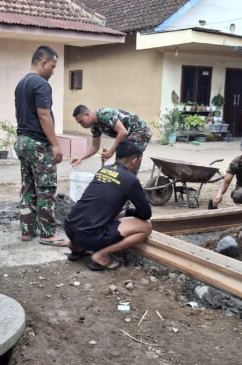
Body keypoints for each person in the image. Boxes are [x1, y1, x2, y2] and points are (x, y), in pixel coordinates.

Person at [64, 141, 153, 271]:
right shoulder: (130, 179)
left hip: (70, 228)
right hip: (90, 237)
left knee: (98, 212)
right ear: (135, 161)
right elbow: (146, 213)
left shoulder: (104, 170)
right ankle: (101, 255)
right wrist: (128, 213)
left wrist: (123, 213)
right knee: (146, 227)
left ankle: (75, 247)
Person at [14, 45, 66, 247]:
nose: (53, 71)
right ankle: (47, 234)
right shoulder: (41, 84)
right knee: (45, 188)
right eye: (53, 66)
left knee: (28, 187)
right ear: (43, 62)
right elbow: (44, 115)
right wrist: (55, 145)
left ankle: (27, 231)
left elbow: (19, 114)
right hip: (37, 144)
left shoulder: (21, 84)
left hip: (22, 141)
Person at [71, 105, 152, 168]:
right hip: (129, 135)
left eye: (81, 121)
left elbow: (123, 132)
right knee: (121, 161)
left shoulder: (104, 115)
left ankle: (131, 182)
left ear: (87, 114)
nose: (81, 125)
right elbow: (94, 147)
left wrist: (111, 151)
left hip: (140, 131)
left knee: (129, 160)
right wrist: (81, 158)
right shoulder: (94, 126)